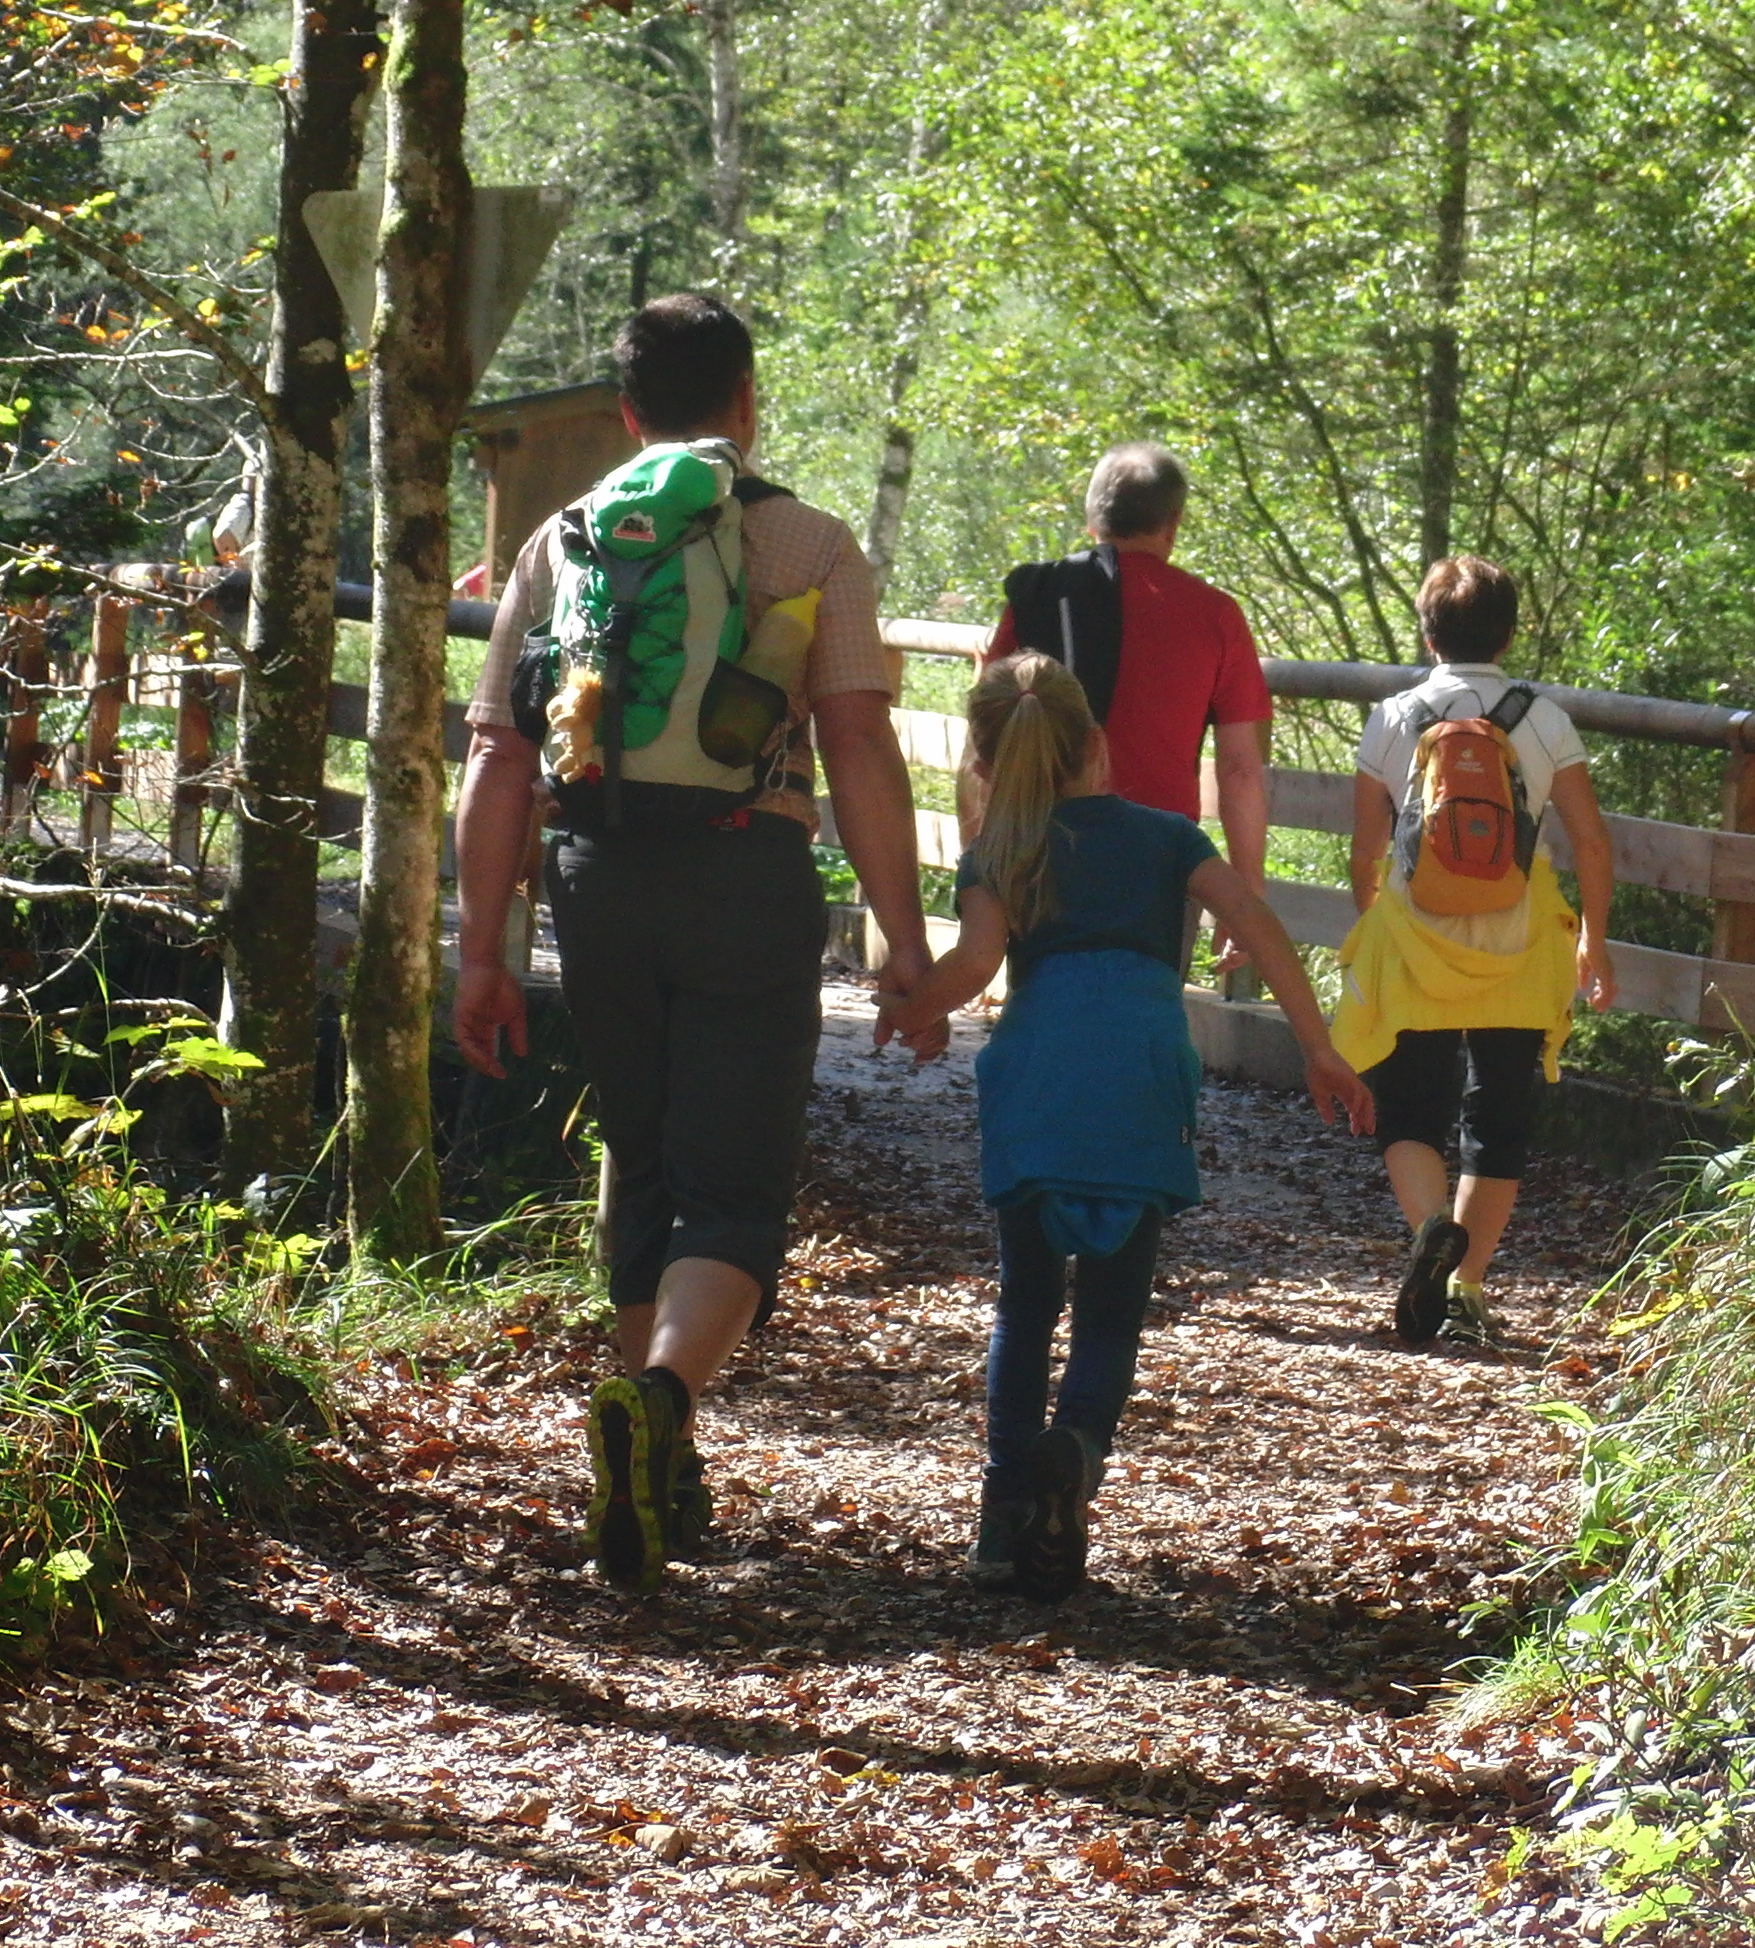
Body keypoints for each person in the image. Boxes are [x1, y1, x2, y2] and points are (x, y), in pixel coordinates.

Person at [449, 293, 936, 1596]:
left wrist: (480, 951)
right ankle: (661, 1400)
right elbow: (860, 743)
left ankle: (656, 1456)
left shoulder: (562, 541)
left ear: (625, 413)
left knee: (642, 1150)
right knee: (732, 1195)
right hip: (745, 869)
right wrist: (903, 936)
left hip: (594, 874)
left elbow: (499, 753)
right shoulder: (807, 541)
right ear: (747, 402)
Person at [876, 651, 1371, 1599]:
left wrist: (912, 1010)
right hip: (1143, 1076)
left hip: (1038, 1080)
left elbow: (975, 966)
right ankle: (1080, 1452)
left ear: (983, 761)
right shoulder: (1168, 838)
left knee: (1026, 1305)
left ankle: (1001, 1518)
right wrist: (1319, 1047)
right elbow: (1258, 926)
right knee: (1111, 1311)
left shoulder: (999, 857)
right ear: (1097, 745)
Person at [1332, 556, 1617, 1348]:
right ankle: (1465, 1290)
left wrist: (1376, 927)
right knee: (1498, 1115)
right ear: (1510, 632)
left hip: (1415, 937)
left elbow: (1364, 853)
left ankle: (1431, 1228)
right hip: (1522, 940)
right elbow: (1592, 842)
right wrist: (1595, 936)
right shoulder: (1545, 717)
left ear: (1426, 633)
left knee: (1409, 1107)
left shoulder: (1392, 716)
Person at [986, 442, 1274, 972]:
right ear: (1174, 523)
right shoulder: (1215, 615)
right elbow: (1240, 769)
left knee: (1046, 1005)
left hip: (1044, 844)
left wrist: (984, 861)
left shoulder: (1039, 597)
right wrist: (1244, 895)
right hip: (1160, 858)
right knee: (1150, 1011)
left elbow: (985, 741)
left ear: (1091, 517)